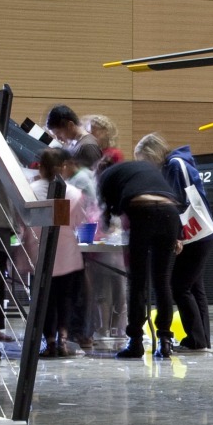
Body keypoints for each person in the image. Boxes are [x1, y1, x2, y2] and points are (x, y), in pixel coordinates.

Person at [98, 146, 183, 358]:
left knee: (138, 281)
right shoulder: (142, 168)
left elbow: (110, 211)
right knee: (162, 280)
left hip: (142, 212)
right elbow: (166, 194)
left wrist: (109, 227)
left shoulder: (105, 176)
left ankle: (135, 341)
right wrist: (177, 235)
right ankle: (165, 340)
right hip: (170, 214)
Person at [149, 133, 213, 354]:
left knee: (180, 286)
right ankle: (201, 339)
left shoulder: (174, 165)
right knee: (195, 287)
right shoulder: (180, 162)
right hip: (203, 233)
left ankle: (196, 340)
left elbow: (178, 201)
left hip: (194, 235)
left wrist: (176, 234)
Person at [25, 148, 90, 356]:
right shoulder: (73, 192)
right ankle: (63, 338)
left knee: (45, 300)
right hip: (67, 254)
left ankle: (50, 341)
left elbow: (22, 220)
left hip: (39, 253)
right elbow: (79, 221)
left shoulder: (30, 190)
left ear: (40, 167)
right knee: (66, 299)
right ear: (62, 168)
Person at [75, 138, 127, 346]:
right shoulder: (117, 191)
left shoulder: (103, 191)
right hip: (112, 251)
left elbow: (95, 217)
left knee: (105, 293)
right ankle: (113, 330)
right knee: (116, 292)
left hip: (107, 251)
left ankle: (105, 329)